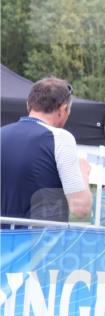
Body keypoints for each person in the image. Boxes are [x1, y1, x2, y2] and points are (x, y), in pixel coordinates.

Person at [1, 77, 92, 222]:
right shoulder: (60, 138)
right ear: (63, 109)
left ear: (28, 105)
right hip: (40, 241)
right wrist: (83, 173)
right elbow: (80, 208)